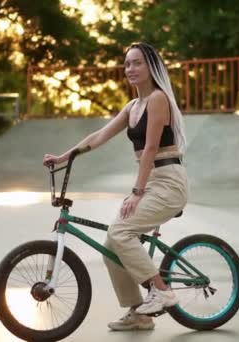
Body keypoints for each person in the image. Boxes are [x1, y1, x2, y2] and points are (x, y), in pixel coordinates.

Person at [42, 42, 189, 331]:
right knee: (112, 244)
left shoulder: (159, 99)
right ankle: (139, 313)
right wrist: (64, 156)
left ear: (151, 67)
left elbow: (149, 150)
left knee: (121, 231)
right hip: (152, 181)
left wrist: (136, 192)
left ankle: (162, 291)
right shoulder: (133, 107)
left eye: (137, 63)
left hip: (169, 181)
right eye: (127, 64)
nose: (130, 69)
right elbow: (99, 136)